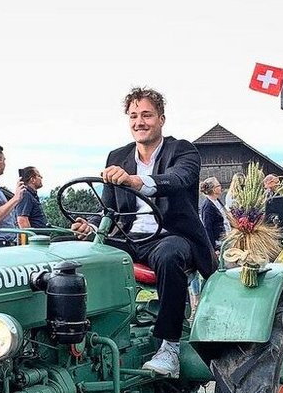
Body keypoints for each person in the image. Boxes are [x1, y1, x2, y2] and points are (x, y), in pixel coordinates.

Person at [70, 87, 216, 376]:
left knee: (169, 254)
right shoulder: (118, 155)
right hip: (130, 237)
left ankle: (169, 347)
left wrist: (137, 181)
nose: (140, 121)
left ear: (161, 119)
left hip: (172, 235)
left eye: (147, 115)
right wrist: (91, 228)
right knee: (70, 252)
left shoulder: (182, 150)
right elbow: (108, 210)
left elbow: (177, 179)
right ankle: (83, 338)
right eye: (134, 115)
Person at [199, 177, 227, 250]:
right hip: (218, 243)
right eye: (218, 185)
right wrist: (212, 248)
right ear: (214, 190)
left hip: (225, 238)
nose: (221, 187)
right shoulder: (207, 207)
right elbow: (207, 228)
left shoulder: (217, 200)